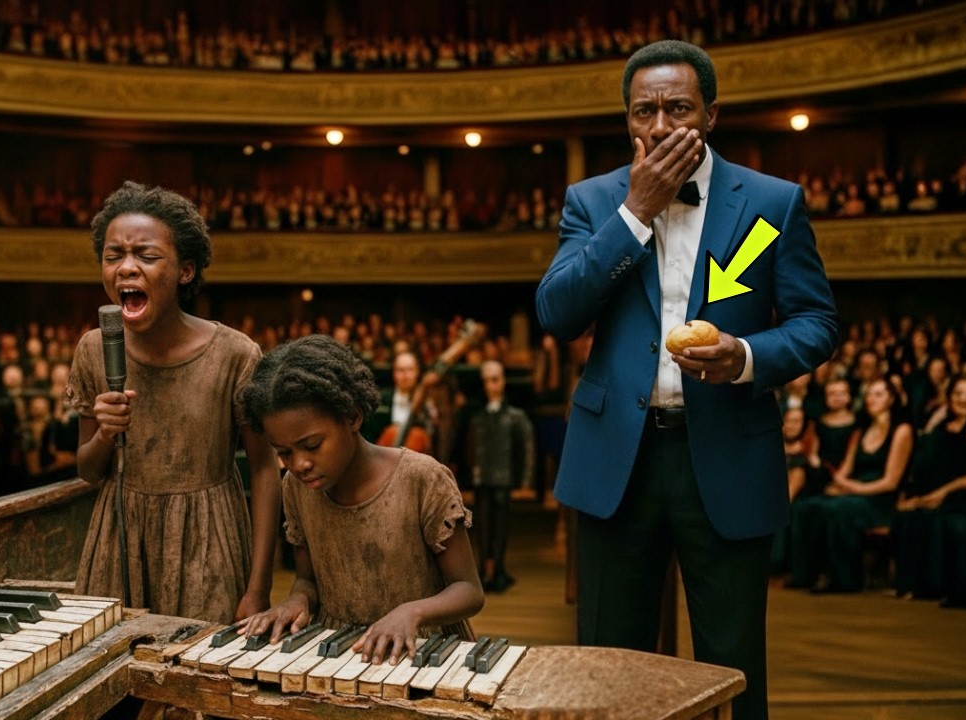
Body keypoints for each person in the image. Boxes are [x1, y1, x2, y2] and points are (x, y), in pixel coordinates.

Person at [533, 40, 839, 720]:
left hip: (727, 453)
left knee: (734, 669)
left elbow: (817, 322)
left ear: (710, 115)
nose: (663, 125)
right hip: (618, 461)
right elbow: (558, 313)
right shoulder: (592, 200)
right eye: (646, 111)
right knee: (608, 672)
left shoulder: (770, 203)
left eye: (679, 107)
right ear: (628, 122)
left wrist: (747, 355)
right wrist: (635, 212)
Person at [66, 180, 280, 624]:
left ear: (185, 271)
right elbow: (88, 471)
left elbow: (263, 470)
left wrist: (258, 587)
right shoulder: (93, 349)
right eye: (113, 256)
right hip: (118, 542)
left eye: (145, 256)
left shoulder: (235, 354)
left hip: (208, 542)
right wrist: (106, 433)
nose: (126, 268)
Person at [236, 335, 483, 663]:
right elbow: (307, 580)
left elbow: (469, 590)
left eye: (311, 445)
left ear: (352, 417)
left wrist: (411, 612)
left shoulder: (422, 479)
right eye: (284, 453)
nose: (299, 464)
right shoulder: (296, 488)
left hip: (423, 652)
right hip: (340, 650)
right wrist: (297, 599)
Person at [790, 377, 913, 593]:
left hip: (880, 500)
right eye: (869, 394)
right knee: (806, 506)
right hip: (854, 492)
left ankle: (844, 580)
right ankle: (804, 575)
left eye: (878, 394)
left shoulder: (901, 430)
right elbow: (844, 471)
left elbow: (890, 482)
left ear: (891, 399)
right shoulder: (861, 430)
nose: (871, 399)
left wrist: (852, 488)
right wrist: (837, 485)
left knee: (838, 508)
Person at [892, 376, 966, 601]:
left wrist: (940, 494)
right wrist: (917, 496)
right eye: (958, 393)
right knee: (908, 515)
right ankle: (914, 587)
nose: (964, 399)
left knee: (936, 517)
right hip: (938, 491)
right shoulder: (943, 425)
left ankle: (938, 587)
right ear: (950, 397)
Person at [465, 360, 535, 592]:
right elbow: (471, 448)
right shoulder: (478, 416)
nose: (490, 385)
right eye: (486, 381)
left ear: (503, 381)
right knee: (482, 524)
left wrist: (526, 480)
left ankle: (499, 568)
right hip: (483, 477)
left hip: (503, 477)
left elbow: (527, 449)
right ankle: (484, 569)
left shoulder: (515, 416)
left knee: (501, 526)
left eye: (494, 379)